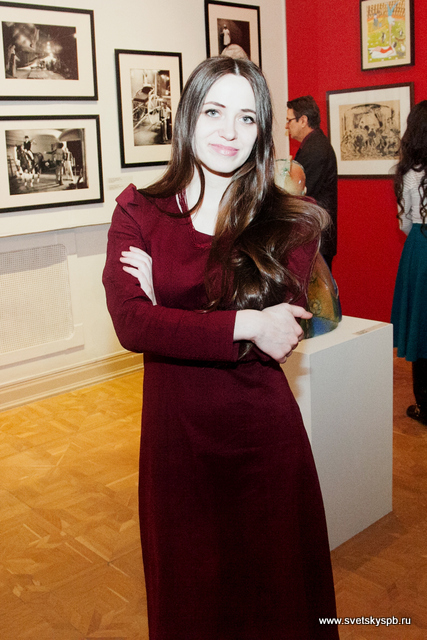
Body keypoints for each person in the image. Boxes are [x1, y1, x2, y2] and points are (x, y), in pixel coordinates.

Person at [103, 56, 339, 640]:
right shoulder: (138, 211)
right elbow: (131, 326)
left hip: (262, 441)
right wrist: (245, 322)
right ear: (188, 117)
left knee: (278, 604)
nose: (229, 131)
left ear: (262, 132)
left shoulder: (293, 222)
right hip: (176, 444)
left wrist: (168, 310)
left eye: (248, 118)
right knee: (191, 603)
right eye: (213, 111)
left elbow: (279, 338)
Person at [391, 100, 427, 426]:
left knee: (421, 324)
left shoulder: (412, 174)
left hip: (421, 246)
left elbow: (404, 222)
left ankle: (425, 406)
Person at [286, 95, 338, 270]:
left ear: (303, 120)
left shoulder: (315, 149)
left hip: (315, 236)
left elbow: (300, 195)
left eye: (289, 120)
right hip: (315, 234)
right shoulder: (314, 144)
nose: (286, 126)